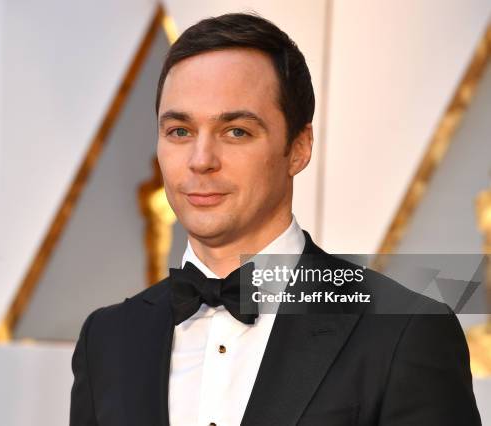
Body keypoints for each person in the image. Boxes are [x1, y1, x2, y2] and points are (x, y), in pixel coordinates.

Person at [70, 12, 481, 426]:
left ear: (299, 148)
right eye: (180, 131)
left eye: (236, 132)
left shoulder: (405, 332)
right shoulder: (107, 339)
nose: (200, 161)